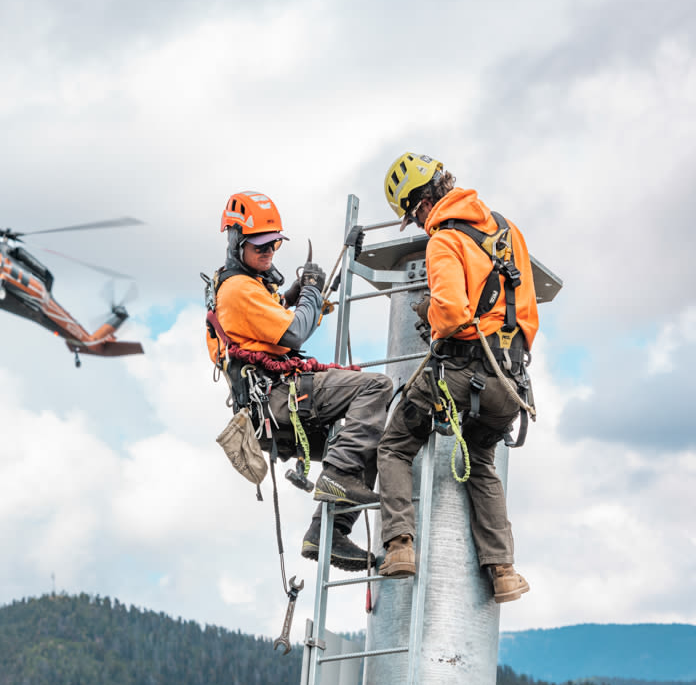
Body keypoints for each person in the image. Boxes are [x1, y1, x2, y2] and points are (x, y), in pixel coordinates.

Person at [376, 153, 538, 603]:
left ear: (422, 204)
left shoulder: (444, 240)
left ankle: (400, 546)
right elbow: (526, 312)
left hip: (462, 373)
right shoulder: (507, 230)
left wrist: (428, 312)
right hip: (510, 382)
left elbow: (449, 313)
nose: (419, 224)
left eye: (414, 215)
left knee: (394, 445)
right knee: (481, 462)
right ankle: (503, 571)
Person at [205, 191, 393, 571]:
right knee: (377, 388)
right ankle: (337, 479)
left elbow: (279, 317)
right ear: (235, 242)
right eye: (260, 245)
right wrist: (308, 292)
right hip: (279, 398)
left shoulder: (250, 286)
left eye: (274, 244)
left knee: (366, 442)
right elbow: (293, 334)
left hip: (274, 410)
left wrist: (305, 291)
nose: (269, 252)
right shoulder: (238, 289)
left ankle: (327, 533)